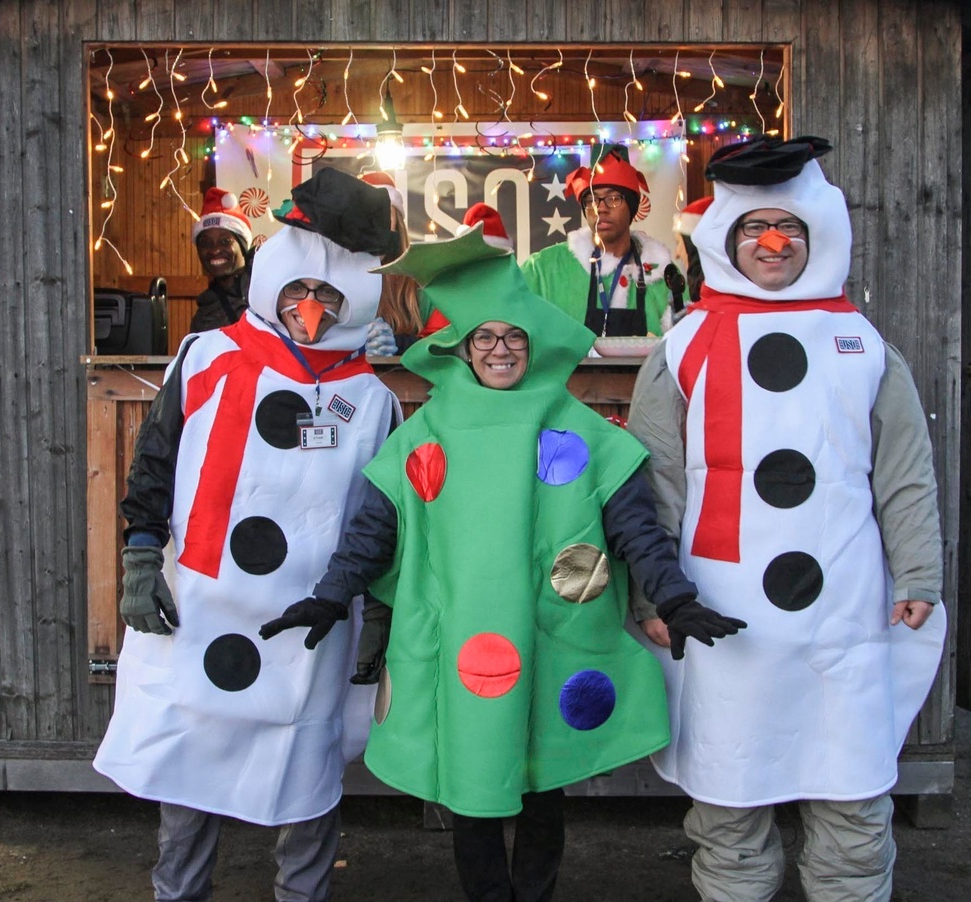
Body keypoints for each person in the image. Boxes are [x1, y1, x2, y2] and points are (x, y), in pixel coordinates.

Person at [259, 220, 744, 902]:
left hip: (549, 637)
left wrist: (675, 597)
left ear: (533, 344)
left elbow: (635, 526)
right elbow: (376, 528)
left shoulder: (579, 430)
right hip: (459, 638)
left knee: (542, 784)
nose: (501, 349)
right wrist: (332, 594)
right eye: (485, 336)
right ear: (460, 348)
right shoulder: (426, 430)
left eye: (514, 336)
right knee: (472, 781)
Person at [627, 135, 948, 902]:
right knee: (730, 802)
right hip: (719, 609)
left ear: (818, 238)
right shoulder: (683, 347)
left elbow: (904, 474)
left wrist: (919, 571)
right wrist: (652, 593)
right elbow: (652, 485)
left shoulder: (864, 347)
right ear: (727, 242)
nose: (773, 244)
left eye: (790, 229)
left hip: (844, 607)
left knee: (851, 794)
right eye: (754, 230)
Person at [93, 170, 402, 902]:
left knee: (304, 775)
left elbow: (382, 516)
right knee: (188, 765)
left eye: (329, 298)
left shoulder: (371, 396)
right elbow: (156, 459)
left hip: (312, 622)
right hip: (199, 603)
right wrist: (140, 556)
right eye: (298, 292)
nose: (311, 313)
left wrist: (377, 613)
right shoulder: (205, 356)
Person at [521, 144, 679, 339]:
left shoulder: (663, 274)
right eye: (592, 200)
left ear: (632, 207)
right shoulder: (544, 270)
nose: (600, 209)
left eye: (613, 198)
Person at [360, 171, 424, 355]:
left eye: (384, 214)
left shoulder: (418, 283)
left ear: (397, 223)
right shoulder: (333, 277)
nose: (375, 224)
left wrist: (398, 343)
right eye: (366, 214)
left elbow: (438, 346)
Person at [189, 187, 253, 332]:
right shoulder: (203, 318)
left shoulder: (269, 296)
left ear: (243, 247)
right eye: (205, 243)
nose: (215, 250)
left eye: (225, 242)